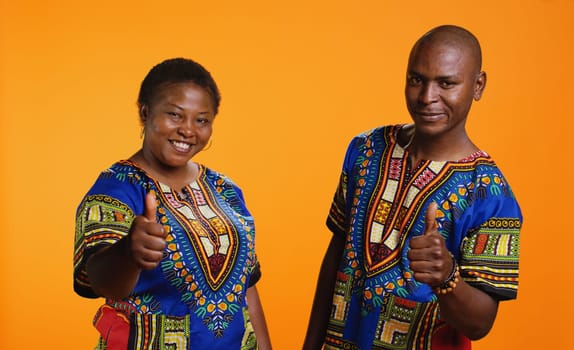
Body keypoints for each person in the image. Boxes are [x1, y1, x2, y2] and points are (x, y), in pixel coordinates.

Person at [304, 25, 522, 350]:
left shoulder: (492, 195)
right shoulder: (365, 149)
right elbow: (337, 253)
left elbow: (480, 324)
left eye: (446, 83)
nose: (426, 97)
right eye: (416, 79)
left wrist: (447, 276)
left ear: (478, 86)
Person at [73, 58, 272, 350]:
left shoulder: (226, 191)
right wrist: (128, 252)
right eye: (175, 115)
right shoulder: (116, 189)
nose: (188, 130)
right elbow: (100, 282)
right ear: (145, 112)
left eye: (201, 120)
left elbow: (247, 289)